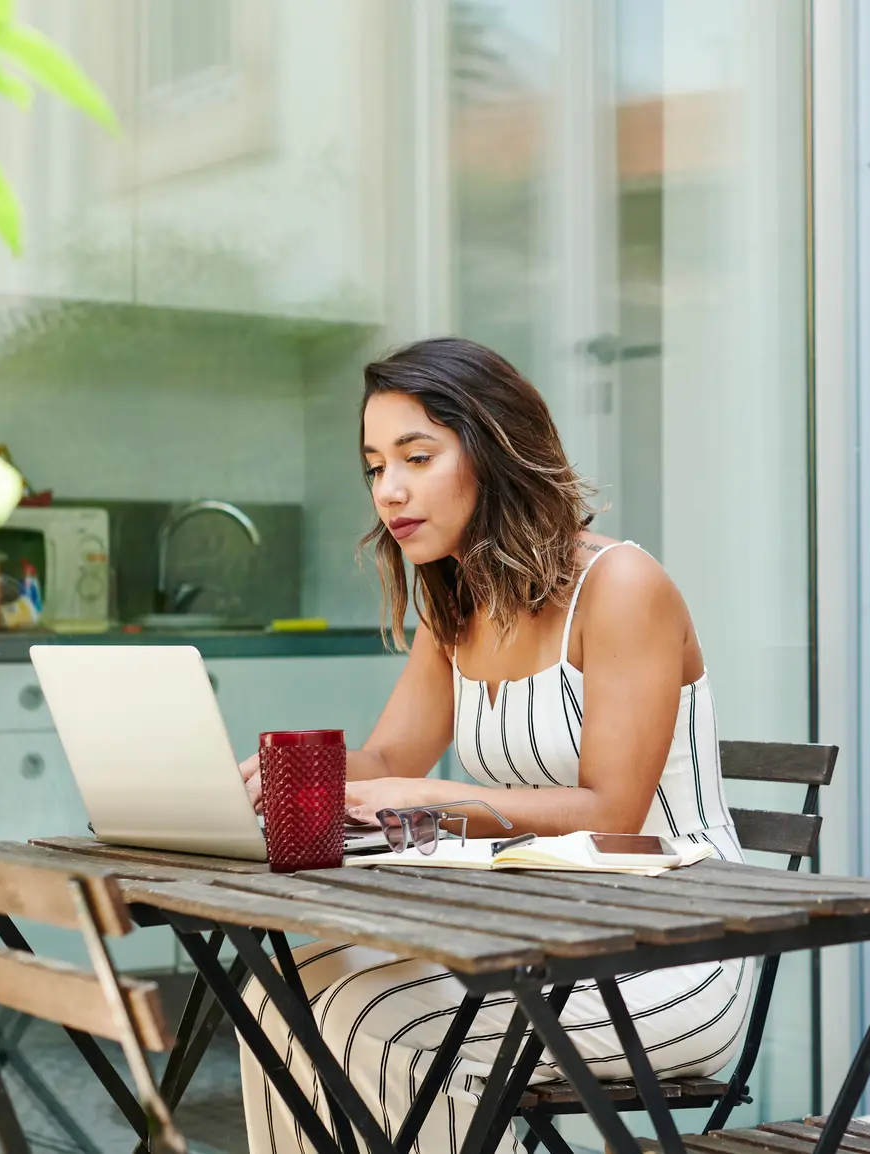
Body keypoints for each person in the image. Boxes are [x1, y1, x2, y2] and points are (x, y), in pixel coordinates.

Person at [235, 337, 751, 1154]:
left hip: (672, 948)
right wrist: (289, 776)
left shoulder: (621, 588)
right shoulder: (459, 608)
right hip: (537, 932)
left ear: (495, 449)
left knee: (375, 1019)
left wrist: (427, 799)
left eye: (416, 456)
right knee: (278, 996)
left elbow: (610, 811)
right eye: (375, 466)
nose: (390, 490)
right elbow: (389, 764)